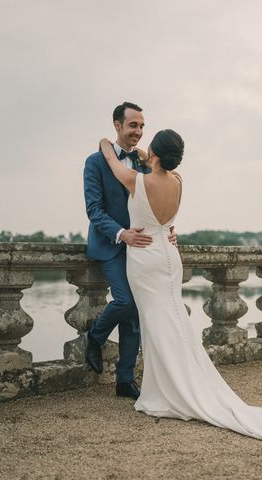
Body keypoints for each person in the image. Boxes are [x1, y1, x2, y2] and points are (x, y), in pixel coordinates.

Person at [97, 131, 262, 444]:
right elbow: (149, 162)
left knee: (157, 323)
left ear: (154, 154)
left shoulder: (136, 180)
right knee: (171, 319)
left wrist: (107, 143)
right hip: (169, 254)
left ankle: (167, 391)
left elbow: (113, 163)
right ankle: (173, 383)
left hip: (145, 258)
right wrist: (147, 154)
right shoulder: (178, 181)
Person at [83, 102, 176, 399]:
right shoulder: (95, 162)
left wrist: (167, 227)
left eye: (142, 126)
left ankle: (125, 380)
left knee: (136, 313)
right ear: (117, 125)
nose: (138, 131)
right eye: (133, 125)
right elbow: (94, 210)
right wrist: (122, 234)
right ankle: (95, 337)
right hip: (111, 246)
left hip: (144, 250)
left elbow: (159, 194)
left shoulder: (144, 163)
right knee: (124, 301)